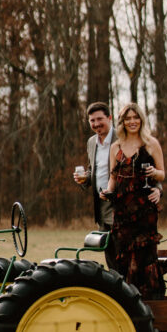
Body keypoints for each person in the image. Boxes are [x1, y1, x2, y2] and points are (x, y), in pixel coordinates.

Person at [100, 102, 165, 299]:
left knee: (145, 254)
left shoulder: (151, 143)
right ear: (122, 122)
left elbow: (162, 174)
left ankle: (149, 300)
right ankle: (127, 298)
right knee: (123, 253)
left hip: (144, 209)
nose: (132, 122)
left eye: (135, 118)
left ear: (141, 120)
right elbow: (113, 177)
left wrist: (154, 173)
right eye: (127, 119)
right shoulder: (115, 147)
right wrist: (107, 191)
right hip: (121, 209)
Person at [73, 101, 117, 268]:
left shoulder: (122, 138)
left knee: (124, 256)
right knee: (110, 256)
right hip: (102, 209)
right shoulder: (92, 142)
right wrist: (85, 179)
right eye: (92, 121)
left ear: (110, 118)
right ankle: (115, 292)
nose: (96, 124)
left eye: (100, 119)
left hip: (121, 206)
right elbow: (94, 170)